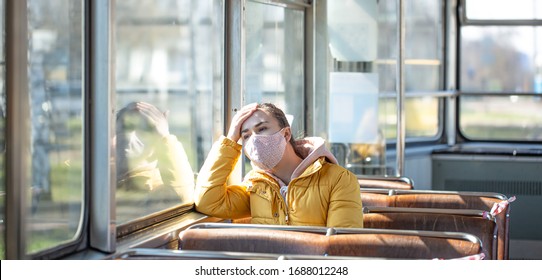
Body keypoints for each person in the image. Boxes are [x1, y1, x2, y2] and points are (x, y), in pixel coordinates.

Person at [195, 102, 363, 228]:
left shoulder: (339, 180)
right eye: (245, 136)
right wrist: (230, 140)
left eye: (261, 129)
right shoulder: (256, 187)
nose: (254, 139)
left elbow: (340, 247)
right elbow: (208, 200)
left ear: (286, 134)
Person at [115, 102, 194, 212]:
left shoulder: (156, 190)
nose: (129, 136)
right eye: (125, 127)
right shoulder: (105, 181)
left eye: (142, 129)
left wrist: (166, 138)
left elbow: (181, 197)